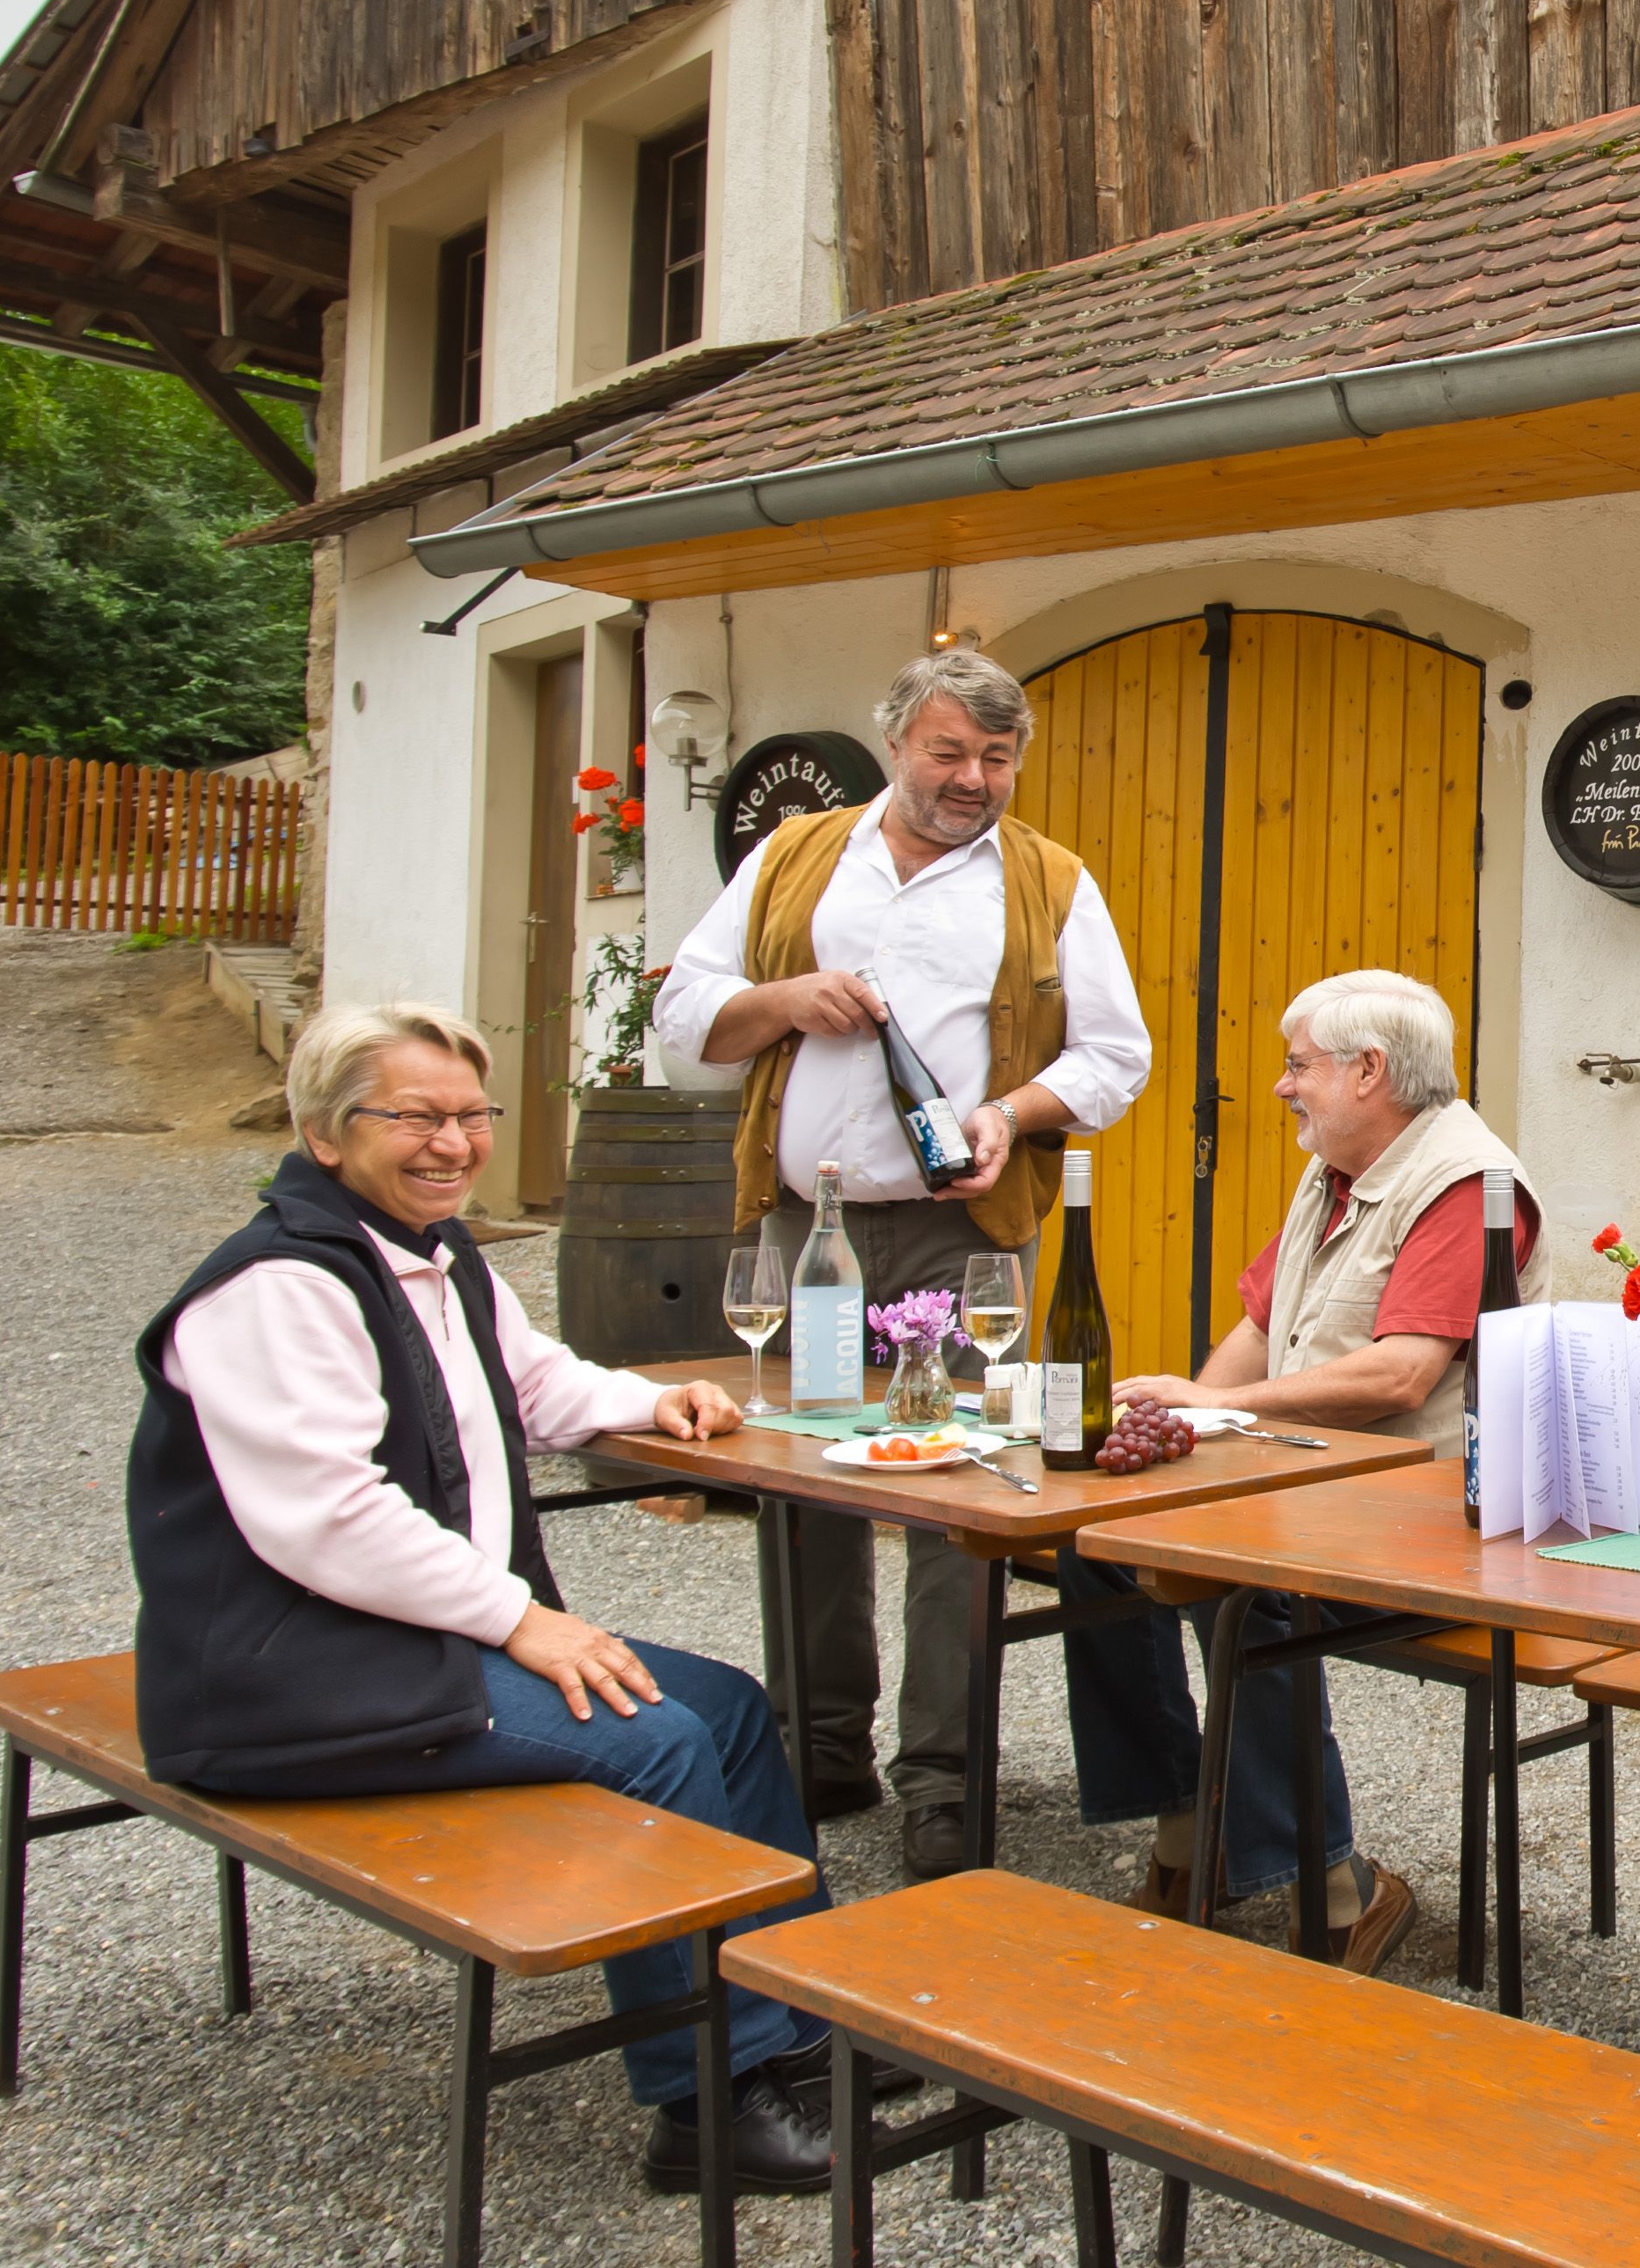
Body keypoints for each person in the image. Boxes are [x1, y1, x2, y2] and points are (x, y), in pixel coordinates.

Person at [129, 1004, 849, 2193]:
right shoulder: (275, 1291)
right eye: (415, 1116)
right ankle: (701, 2102)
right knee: (654, 1738)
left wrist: (639, 1402)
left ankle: (796, 2019)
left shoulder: (433, 1252)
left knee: (726, 1706)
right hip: (289, 1673)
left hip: (395, 1642)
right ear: (323, 1132)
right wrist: (523, 1619)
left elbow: (527, 1380)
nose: (451, 1142)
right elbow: (329, 1519)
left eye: (471, 1116)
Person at [656, 649, 1152, 1879]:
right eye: (949, 753)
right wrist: (786, 1001)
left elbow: (1115, 1055)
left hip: (962, 1236)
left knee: (962, 1504)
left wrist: (1013, 1115)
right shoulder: (795, 856)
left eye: (996, 759)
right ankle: (821, 1748)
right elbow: (681, 1020)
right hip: (805, 1227)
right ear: (896, 747)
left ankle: (946, 1777)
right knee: (806, 1481)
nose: (973, 780)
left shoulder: (1052, 881)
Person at [1063, 969, 1548, 1974]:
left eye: (1297, 1065)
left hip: (1424, 1503)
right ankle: (1186, 1826)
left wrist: (1222, 1412)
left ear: (1371, 1072)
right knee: (1097, 1546)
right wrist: (1179, 1438)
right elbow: (1255, 1324)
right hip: (1311, 1483)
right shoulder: (1332, 1162)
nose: (1280, 1086)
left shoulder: (1466, 1184)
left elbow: (1401, 1372)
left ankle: (1337, 1884)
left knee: (1235, 1576)